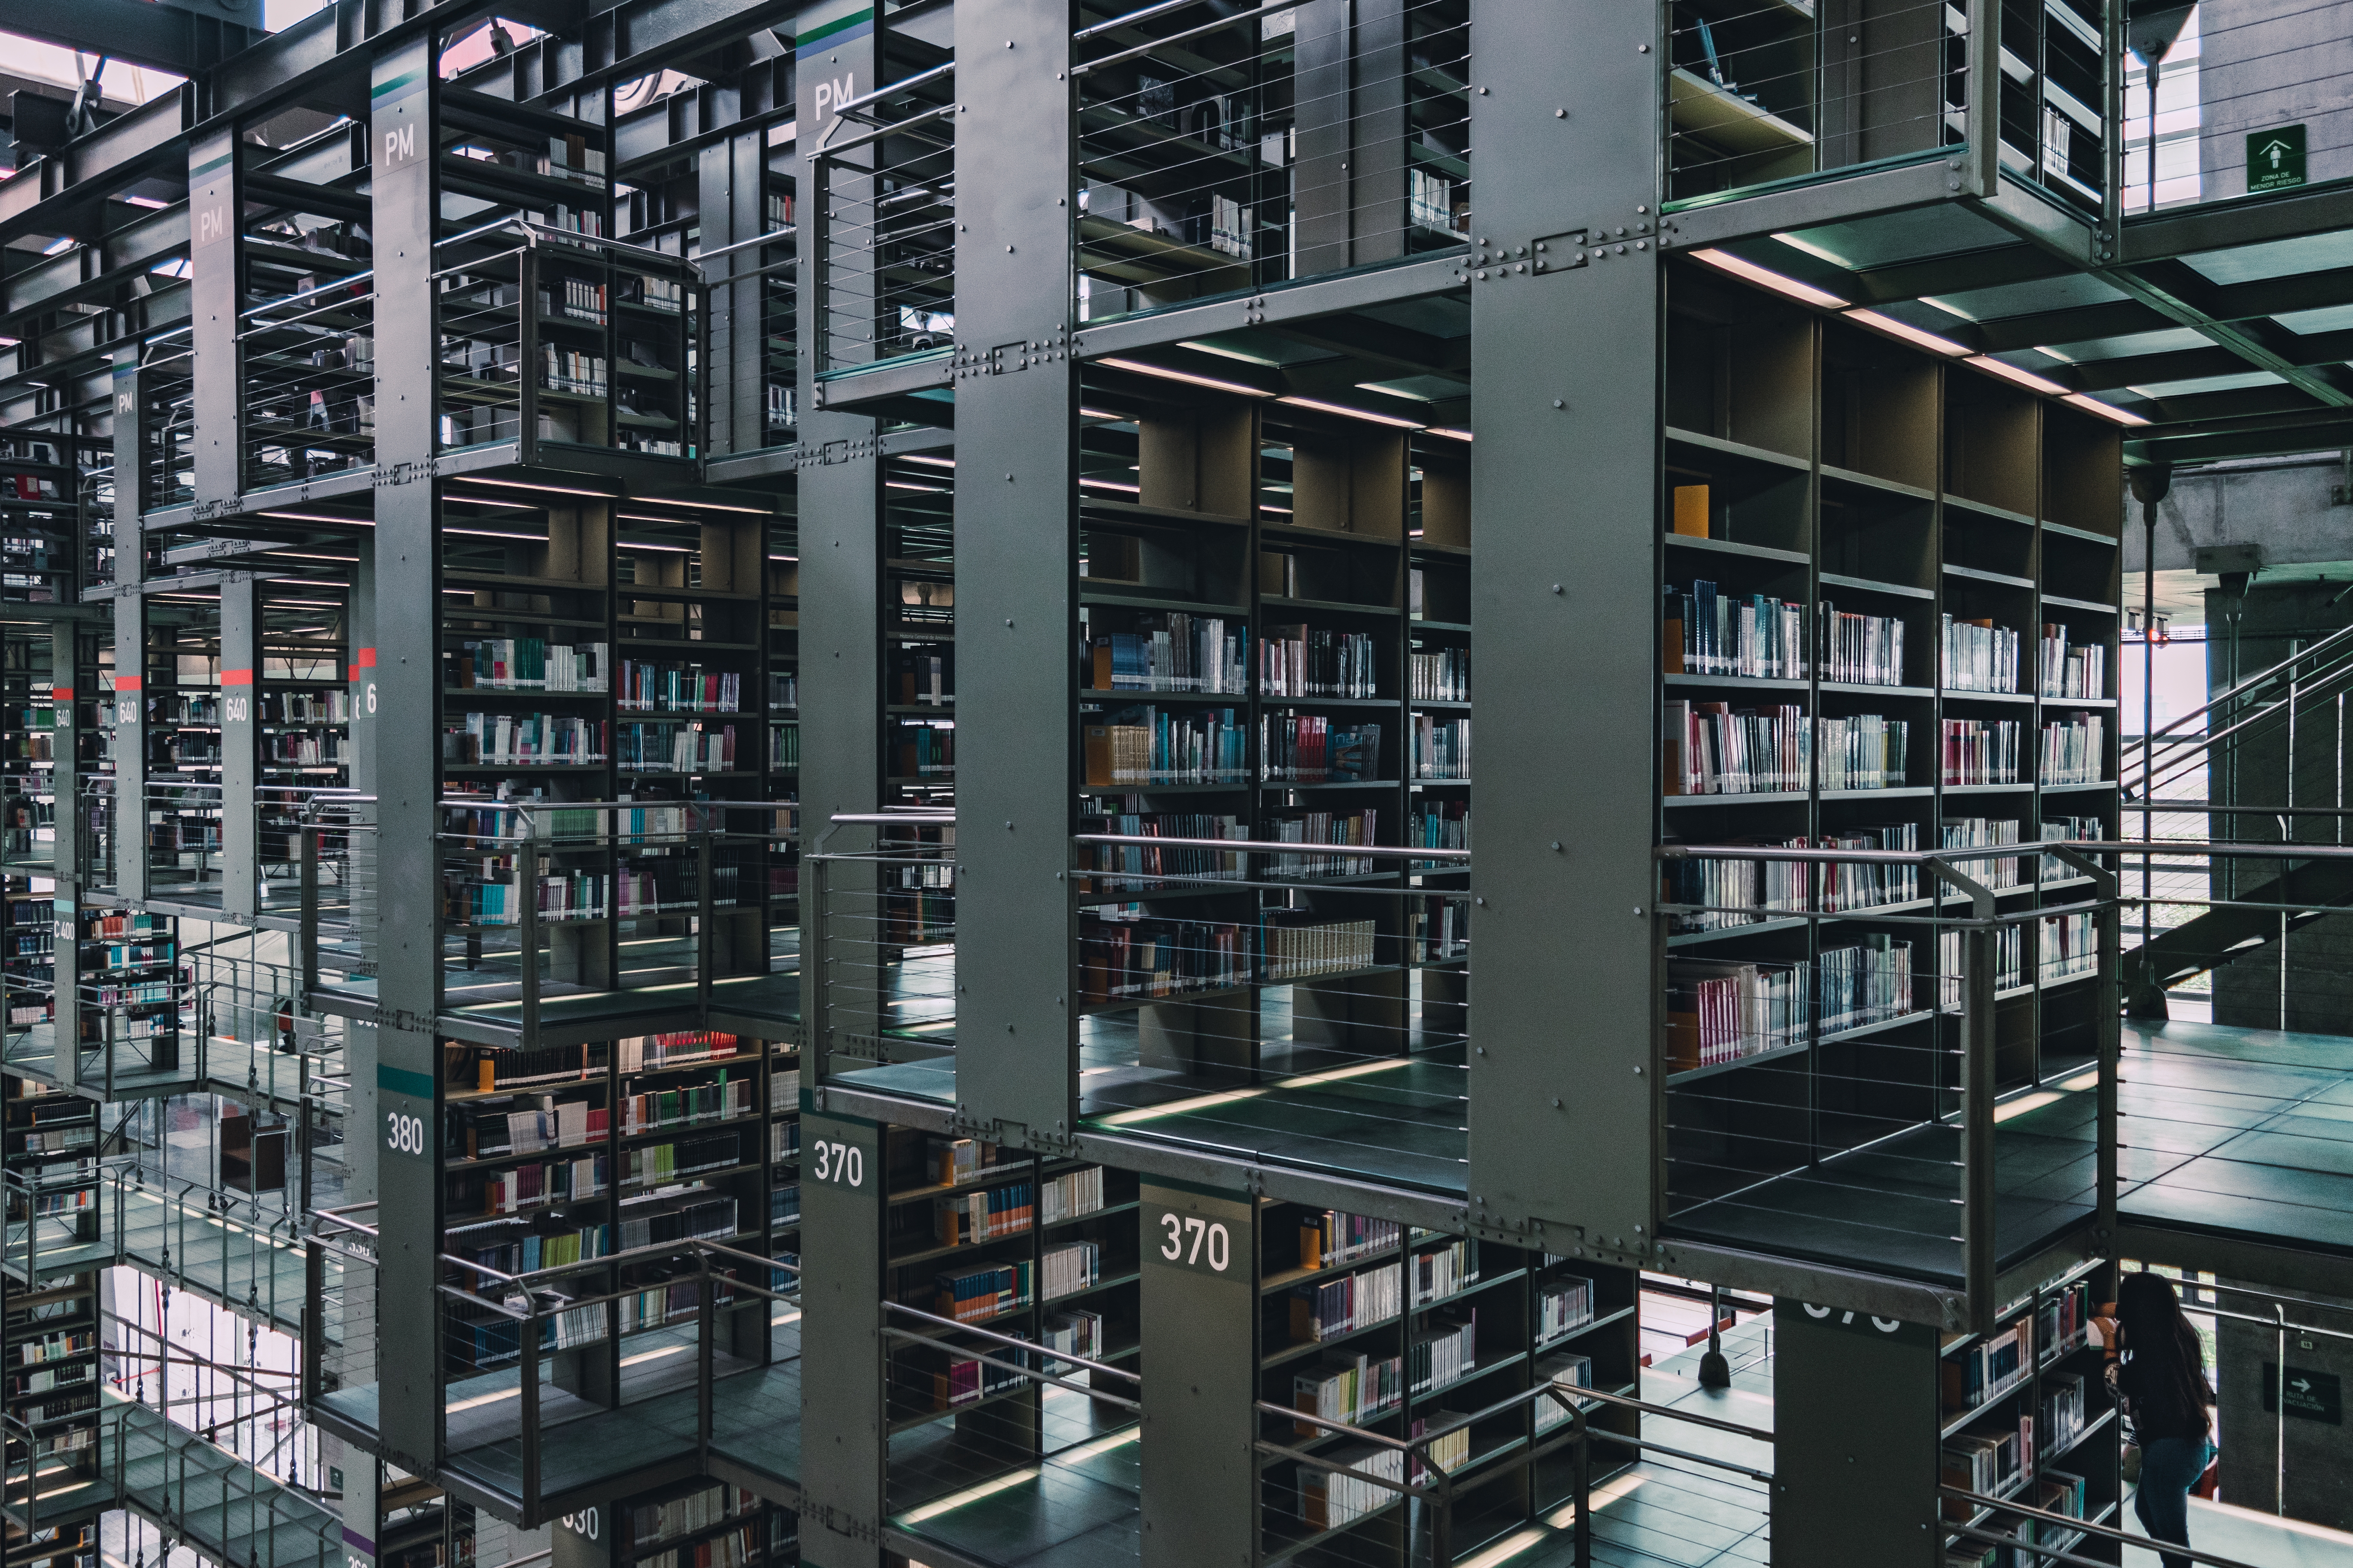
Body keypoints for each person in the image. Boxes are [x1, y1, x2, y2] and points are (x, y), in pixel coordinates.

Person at [2093, 1271, 2215, 1568]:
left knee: (2173, 1536)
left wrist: (2109, 1343)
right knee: (2146, 1511)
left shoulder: (2152, 1359)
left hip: (2169, 1455)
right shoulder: (2178, 1331)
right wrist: (2100, 1310)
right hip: (2189, 1445)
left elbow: (2115, 1383)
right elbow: (2113, 1310)